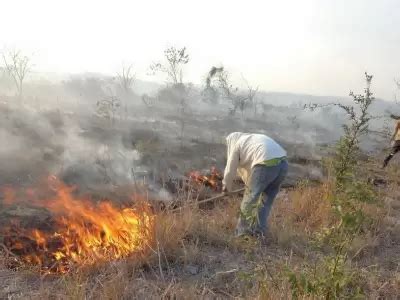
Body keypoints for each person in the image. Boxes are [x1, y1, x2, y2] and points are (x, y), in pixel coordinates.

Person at [222, 132, 288, 237]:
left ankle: (242, 233)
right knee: (266, 201)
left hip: (265, 163)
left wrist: (226, 187)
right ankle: (259, 232)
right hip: (283, 164)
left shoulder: (237, 145)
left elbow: (230, 170)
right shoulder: (253, 140)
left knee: (250, 199)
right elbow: (251, 170)